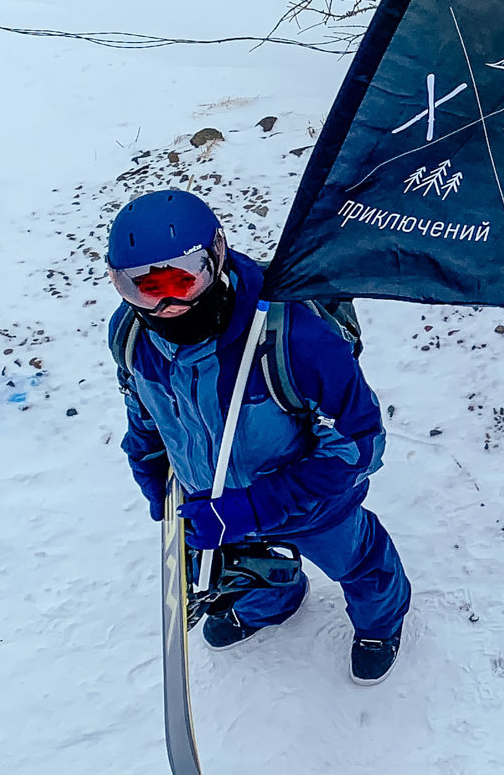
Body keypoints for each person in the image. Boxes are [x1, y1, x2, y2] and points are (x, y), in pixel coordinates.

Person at [106, 189, 411, 684]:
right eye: (142, 288)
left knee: (356, 560)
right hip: (211, 498)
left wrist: (255, 506)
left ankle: (381, 624)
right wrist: (158, 489)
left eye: (184, 280)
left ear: (217, 258)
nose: (166, 304)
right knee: (243, 563)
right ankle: (274, 598)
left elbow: (361, 444)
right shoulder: (131, 337)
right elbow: (146, 417)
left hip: (312, 501)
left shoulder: (294, 338)